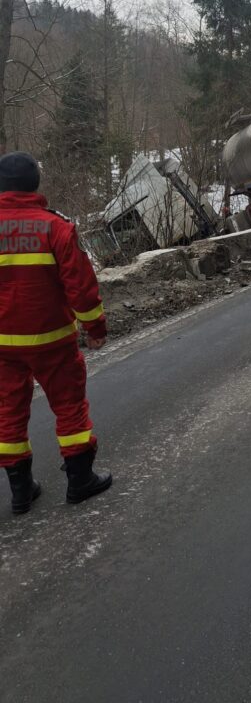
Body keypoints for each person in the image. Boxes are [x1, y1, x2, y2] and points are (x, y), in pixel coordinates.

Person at [0, 152, 112, 515]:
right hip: (52, 339)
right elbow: (80, 286)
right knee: (69, 406)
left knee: (7, 412)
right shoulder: (56, 226)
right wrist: (94, 328)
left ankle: (20, 491)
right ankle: (80, 481)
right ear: (35, 185)